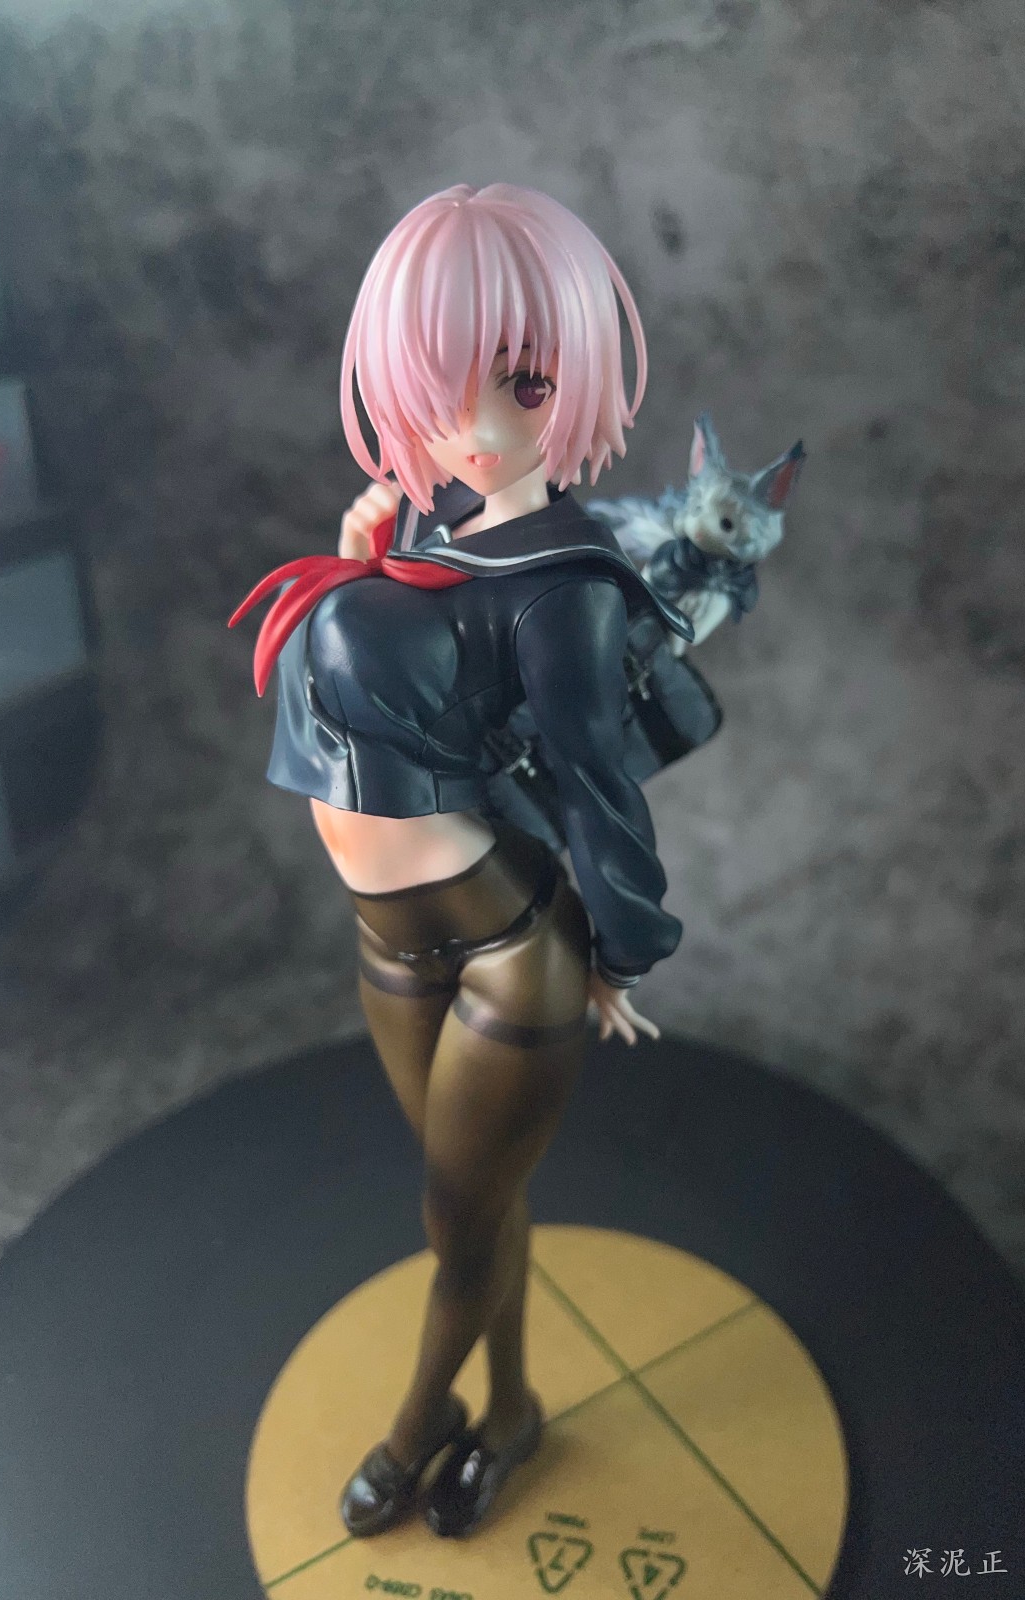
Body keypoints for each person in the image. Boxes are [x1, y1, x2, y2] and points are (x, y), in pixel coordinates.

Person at [230, 182, 691, 1539]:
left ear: (576, 382)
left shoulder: (568, 581)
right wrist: (365, 560)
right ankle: (516, 1410)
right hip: (391, 945)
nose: (477, 425)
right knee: (483, 1208)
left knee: (456, 1219)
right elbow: (420, 704)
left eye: (526, 384)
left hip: (504, 947)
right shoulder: (440, 537)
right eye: (444, 386)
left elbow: (596, 780)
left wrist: (621, 950)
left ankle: (415, 1426)